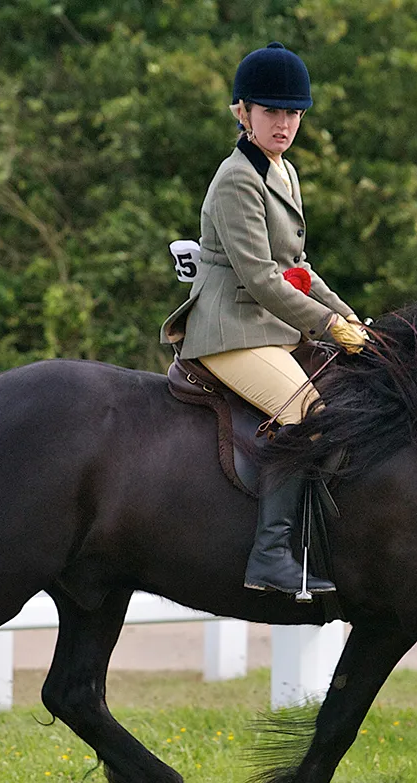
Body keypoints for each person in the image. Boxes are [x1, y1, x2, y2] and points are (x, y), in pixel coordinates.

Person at [159, 42, 368, 598]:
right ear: (243, 113)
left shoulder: (284, 171)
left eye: (293, 113)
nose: (284, 124)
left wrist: (352, 321)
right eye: (272, 112)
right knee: (306, 410)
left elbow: (298, 268)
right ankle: (271, 554)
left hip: (268, 327)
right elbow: (260, 279)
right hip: (228, 329)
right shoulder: (236, 179)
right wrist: (327, 328)